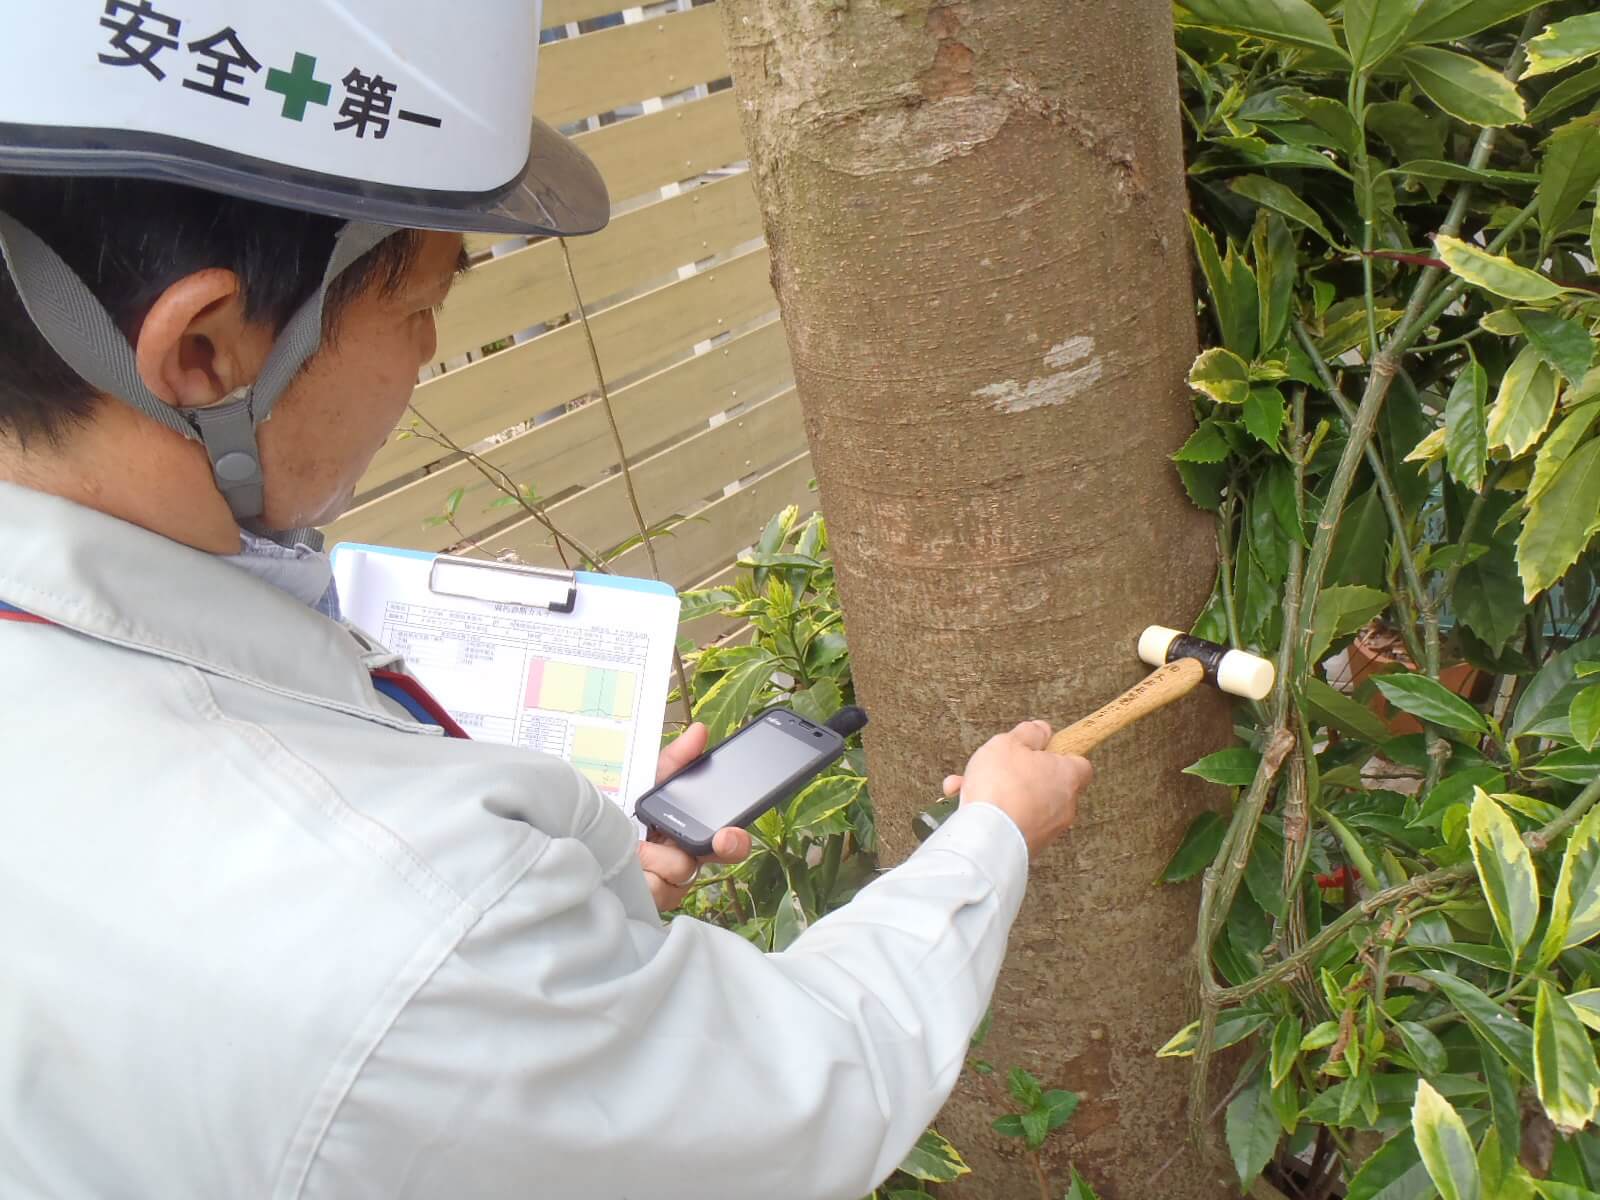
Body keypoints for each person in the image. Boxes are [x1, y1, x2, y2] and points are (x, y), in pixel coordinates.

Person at [0, 4, 1093, 1197]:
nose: (426, 353)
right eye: (419, 302)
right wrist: (990, 836)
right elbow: (787, 1095)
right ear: (205, 351)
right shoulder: (400, 927)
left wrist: (572, 916)